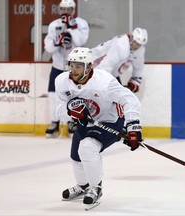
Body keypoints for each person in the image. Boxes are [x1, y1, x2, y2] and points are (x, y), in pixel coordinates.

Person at [54, 47, 142, 210]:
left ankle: (96, 188)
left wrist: (133, 127)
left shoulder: (104, 82)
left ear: (88, 67)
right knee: (76, 156)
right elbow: (58, 109)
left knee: (87, 148)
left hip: (110, 120)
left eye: (78, 66)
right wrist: (69, 111)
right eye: (71, 65)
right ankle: (83, 186)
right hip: (86, 123)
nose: (73, 70)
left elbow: (129, 99)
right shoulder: (61, 81)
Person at [44, 0, 89, 138]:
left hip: (74, 68)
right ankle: (54, 122)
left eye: (69, 9)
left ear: (73, 10)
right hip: (57, 66)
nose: (66, 11)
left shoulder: (81, 23)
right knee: (53, 95)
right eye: (63, 8)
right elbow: (48, 47)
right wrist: (57, 41)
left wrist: (71, 28)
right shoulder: (54, 25)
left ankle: (72, 122)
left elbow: (81, 41)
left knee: (74, 95)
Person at [92, 27, 148, 93]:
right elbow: (105, 66)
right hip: (93, 68)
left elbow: (138, 68)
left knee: (119, 96)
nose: (137, 47)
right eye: (137, 44)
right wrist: (103, 85)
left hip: (111, 74)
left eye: (140, 45)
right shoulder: (120, 45)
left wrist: (135, 81)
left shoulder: (139, 50)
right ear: (132, 39)